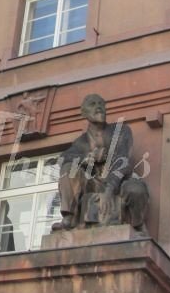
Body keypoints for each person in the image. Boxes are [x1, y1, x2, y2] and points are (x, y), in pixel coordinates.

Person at [52, 94, 148, 231]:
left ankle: (137, 225)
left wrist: (109, 189)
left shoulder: (120, 131)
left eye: (101, 104)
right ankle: (69, 217)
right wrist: (87, 157)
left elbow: (123, 161)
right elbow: (63, 158)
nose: (98, 107)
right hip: (93, 184)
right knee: (68, 169)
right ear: (84, 113)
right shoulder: (81, 142)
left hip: (119, 183)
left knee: (136, 190)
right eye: (93, 104)